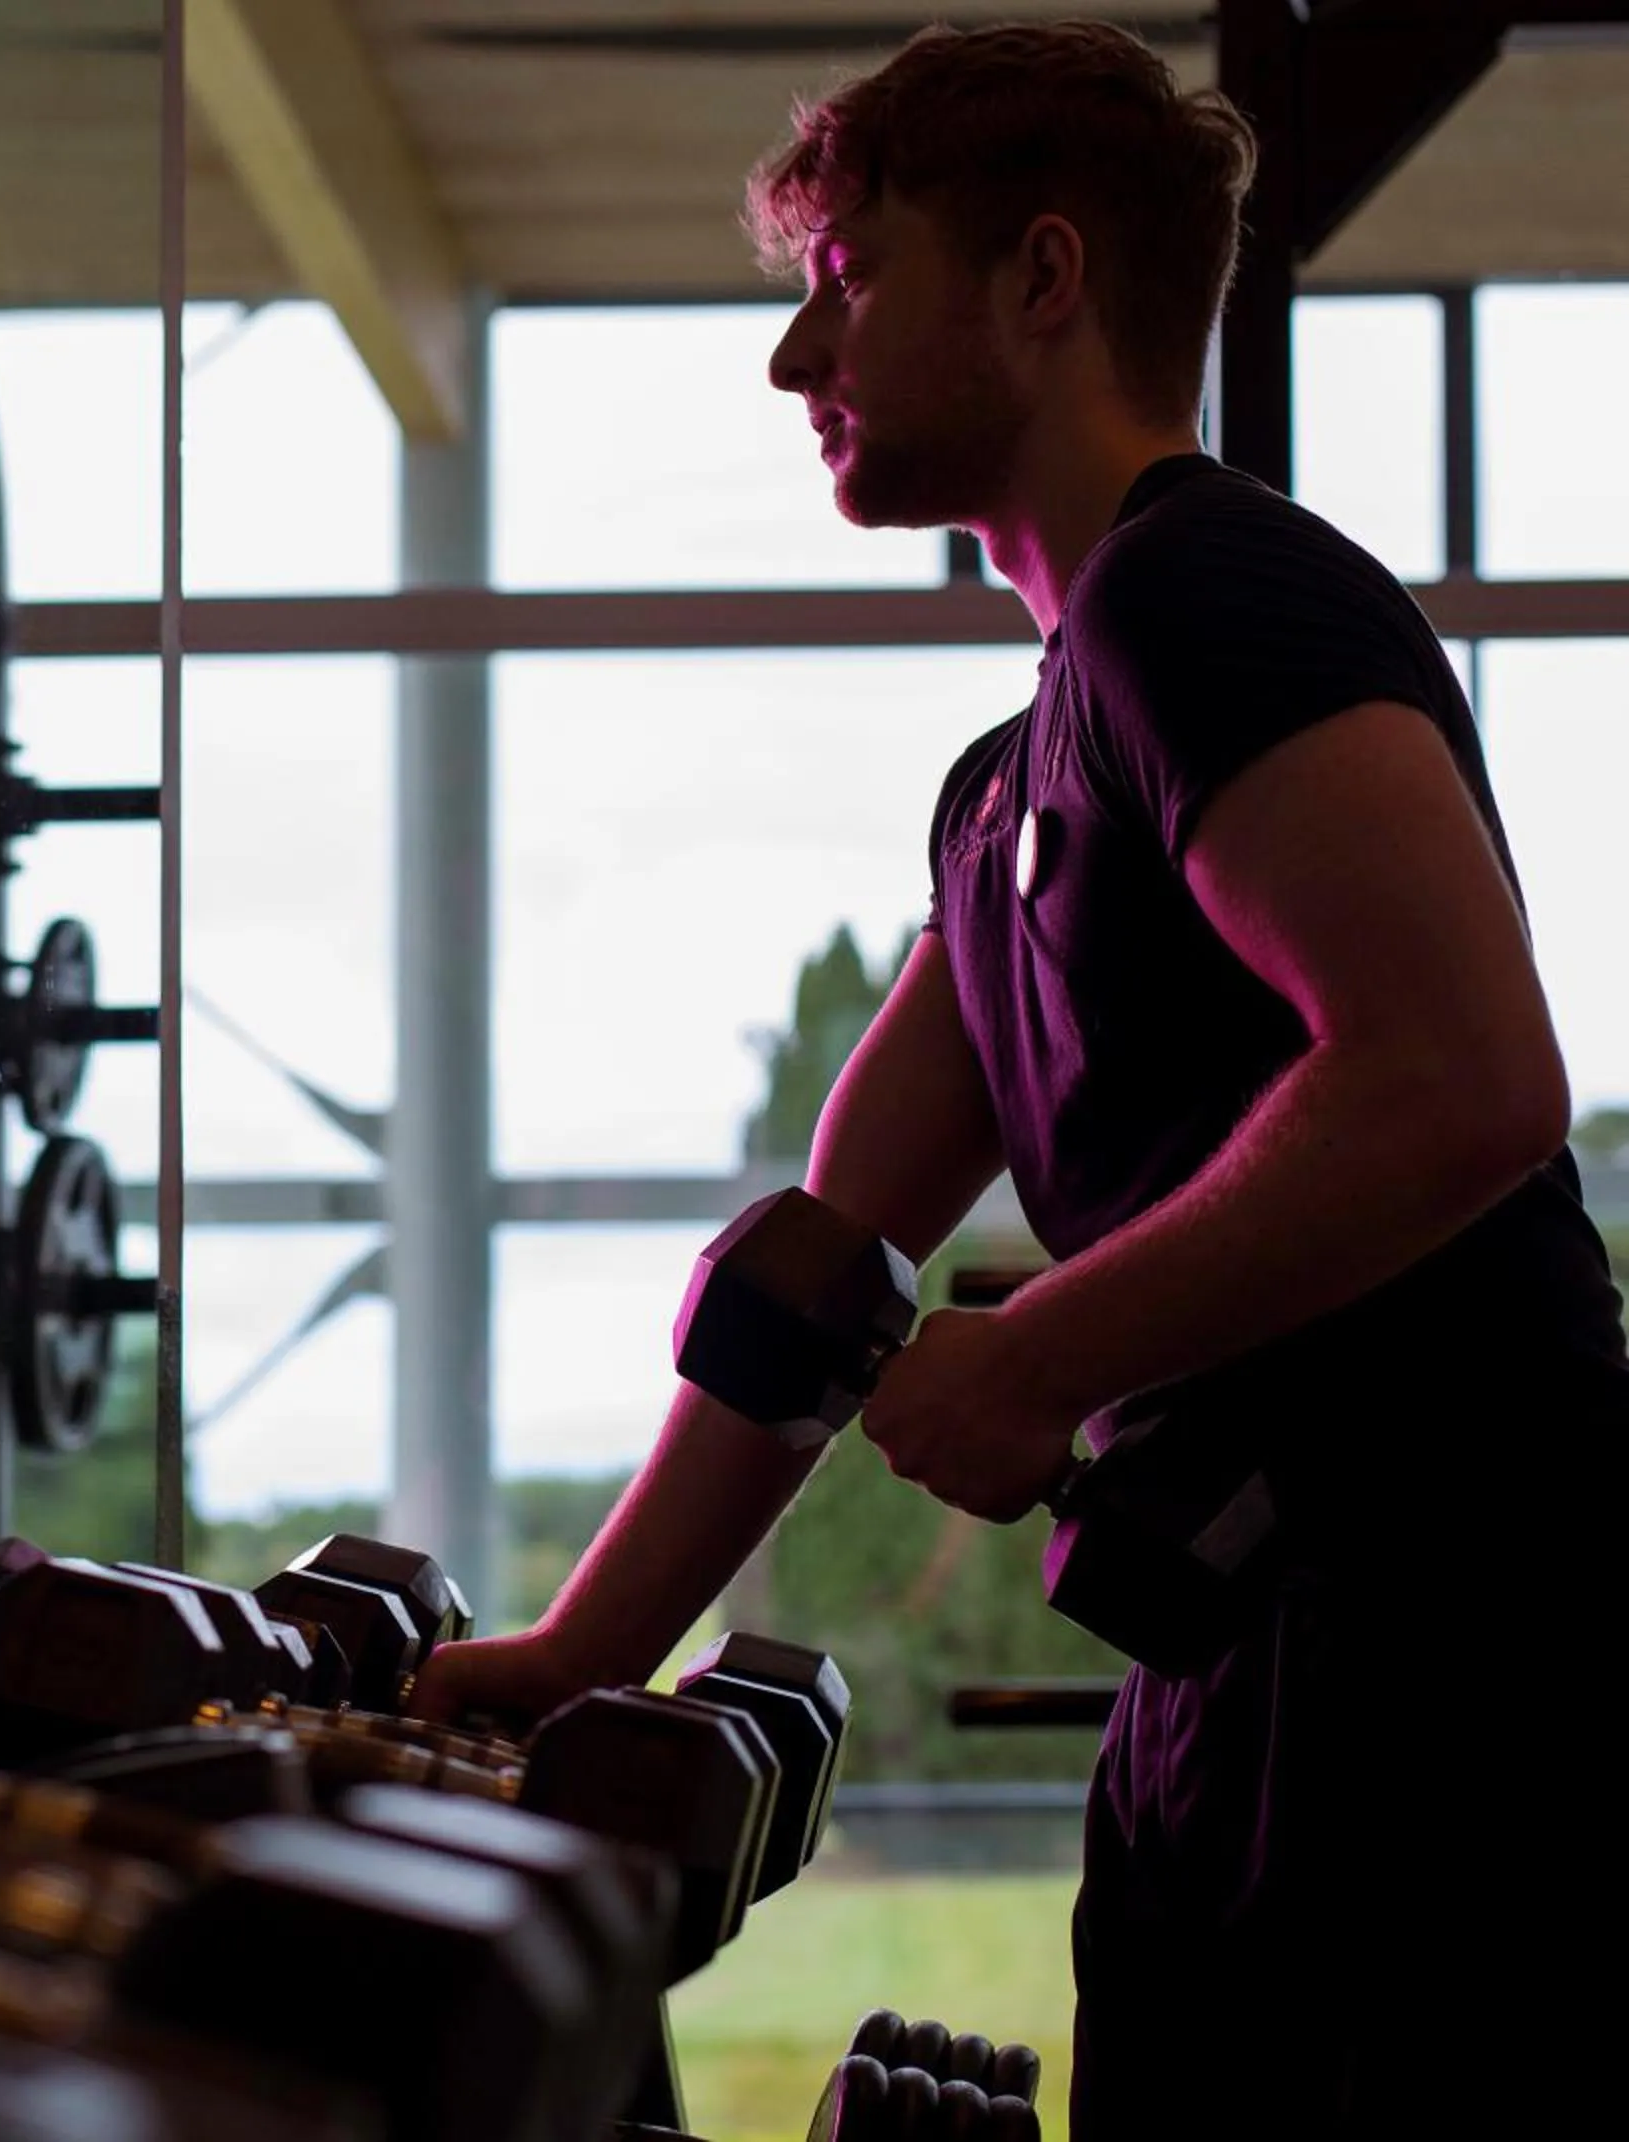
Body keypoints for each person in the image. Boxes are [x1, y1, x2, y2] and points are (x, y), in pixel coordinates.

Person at [411, 22, 1626, 2138]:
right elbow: (816, 1280)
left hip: (1463, 1691)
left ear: (1043, 279)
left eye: (848, 282)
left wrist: (1040, 1350)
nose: (800, 365)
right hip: (1227, 1688)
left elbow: (1466, 1079)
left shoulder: (1213, 593)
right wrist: (578, 1656)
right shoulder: (1013, 788)